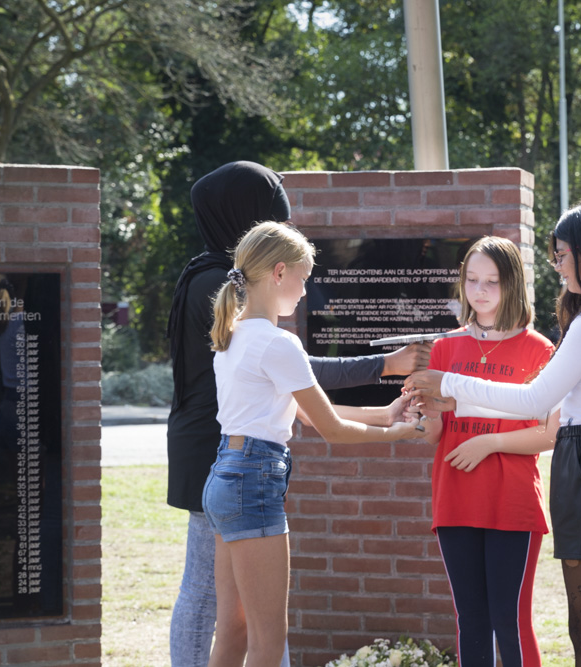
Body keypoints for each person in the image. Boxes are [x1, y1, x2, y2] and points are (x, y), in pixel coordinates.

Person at [166, 161, 429, 665]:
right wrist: (398, 433)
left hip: (222, 474)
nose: (308, 292)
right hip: (255, 481)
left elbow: (300, 412)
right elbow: (327, 427)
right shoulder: (279, 343)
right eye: (305, 279)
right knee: (267, 638)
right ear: (279, 272)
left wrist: (385, 413)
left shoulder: (231, 335)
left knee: (233, 630)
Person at [406, 200, 581, 666]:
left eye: (561, 254)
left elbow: (534, 402)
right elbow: (540, 402)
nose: (557, 265)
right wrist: (451, 402)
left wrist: (449, 383)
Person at [413, 236, 556, 667]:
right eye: (472, 280)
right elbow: (434, 434)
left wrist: (489, 442)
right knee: (471, 620)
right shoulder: (444, 348)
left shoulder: (539, 349)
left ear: (512, 284)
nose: (480, 291)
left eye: (492, 281)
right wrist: (423, 413)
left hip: (511, 502)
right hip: (455, 498)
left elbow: (548, 435)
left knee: (509, 619)